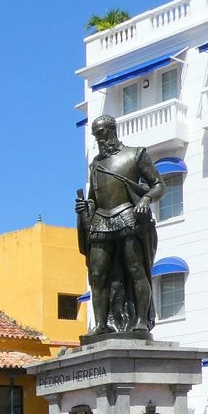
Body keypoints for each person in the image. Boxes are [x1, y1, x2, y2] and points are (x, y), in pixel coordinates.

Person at [75, 114, 164, 335]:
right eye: (96, 136)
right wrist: (84, 208)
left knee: (135, 269)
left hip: (128, 216)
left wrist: (145, 199)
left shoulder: (136, 155)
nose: (99, 140)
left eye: (102, 134)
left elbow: (159, 185)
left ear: (112, 130)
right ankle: (102, 324)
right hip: (101, 221)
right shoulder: (96, 164)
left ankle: (141, 321)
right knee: (97, 275)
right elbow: (94, 196)